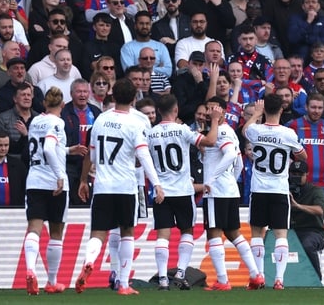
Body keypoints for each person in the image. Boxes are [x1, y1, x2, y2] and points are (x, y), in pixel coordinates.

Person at [75, 78, 165, 296]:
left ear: (113, 96)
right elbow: (143, 155)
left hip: (103, 185)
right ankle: (123, 284)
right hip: (126, 186)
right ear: (134, 98)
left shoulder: (101, 120)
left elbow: (93, 155)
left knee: (98, 232)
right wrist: (157, 184)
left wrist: (84, 179)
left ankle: (89, 261)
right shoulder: (136, 123)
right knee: (127, 233)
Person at [147, 94, 221, 290]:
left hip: (161, 191)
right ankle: (180, 272)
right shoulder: (182, 130)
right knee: (186, 230)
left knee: (163, 234)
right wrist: (214, 120)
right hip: (182, 191)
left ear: (159, 112)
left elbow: (140, 161)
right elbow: (211, 141)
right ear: (176, 110)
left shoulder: (151, 133)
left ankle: (163, 278)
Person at [243, 96, 307, 289]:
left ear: (264, 109)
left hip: (259, 189)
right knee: (281, 234)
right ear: (281, 109)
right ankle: (279, 279)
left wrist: (255, 114)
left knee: (256, 233)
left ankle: (259, 276)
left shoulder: (255, 130)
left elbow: (245, 130)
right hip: (279, 189)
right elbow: (302, 156)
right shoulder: (288, 133)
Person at [201, 97, 264, 291]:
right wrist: (231, 180)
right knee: (233, 233)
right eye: (208, 109)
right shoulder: (229, 132)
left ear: (221, 111)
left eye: (213, 109)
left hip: (216, 191)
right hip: (229, 190)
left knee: (213, 233)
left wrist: (212, 179)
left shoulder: (220, 131)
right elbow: (238, 162)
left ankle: (222, 280)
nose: (209, 113)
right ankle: (256, 275)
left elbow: (230, 155)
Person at [23, 87, 70, 295]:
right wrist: (60, 175)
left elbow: (44, 148)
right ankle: (51, 281)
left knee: (34, 228)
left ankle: (31, 270)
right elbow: (49, 149)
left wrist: (68, 150)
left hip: (34, 180)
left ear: (44, 104)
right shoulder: (57, 122)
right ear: (63, 105)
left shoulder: (35, 121)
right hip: (54, 183)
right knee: (56, 232)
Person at [288, 160, 324, 280]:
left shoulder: (315, 190)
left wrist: (297, 206)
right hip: (288, 231)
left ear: (307, 175)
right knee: (272, 245)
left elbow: (320, 210)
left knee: (307, 245)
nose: (296, 177)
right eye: (293, 174)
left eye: (300, 174)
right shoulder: (283, 189)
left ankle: (315, 279)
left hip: (312, 230)